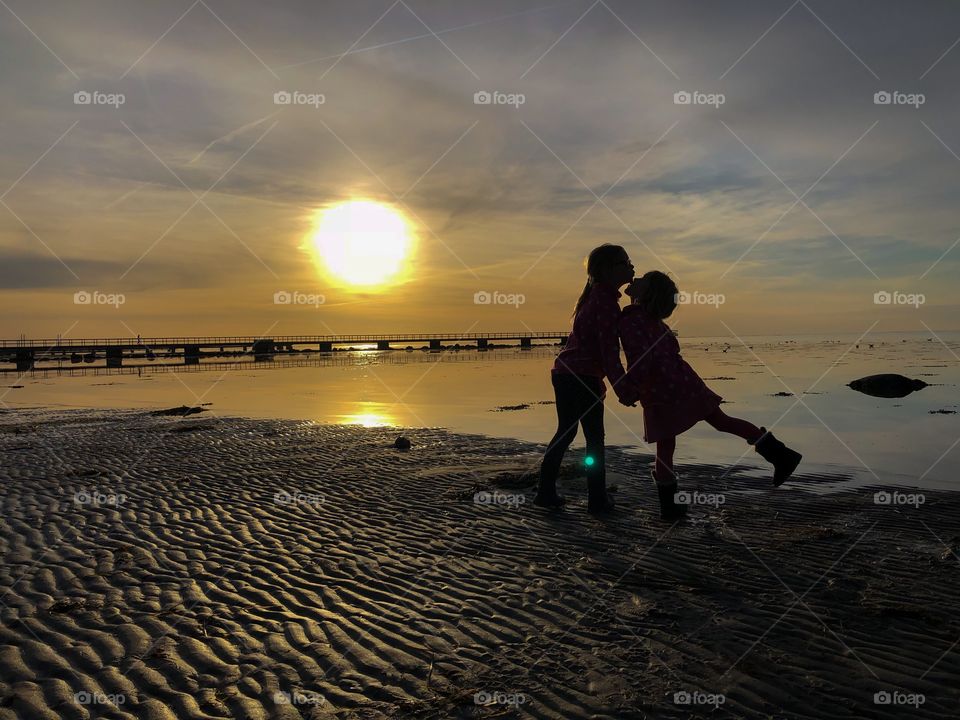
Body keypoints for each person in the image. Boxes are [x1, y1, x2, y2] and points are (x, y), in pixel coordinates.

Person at [620, 271, 802, 521]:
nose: (635, 279)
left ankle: (670, 508)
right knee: (721, 422)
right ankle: (781, 455)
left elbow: (641, 359)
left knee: (666, 446)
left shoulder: (632, 320)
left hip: (663, 391)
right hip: (685, 382)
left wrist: (629, 388)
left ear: (648, 294)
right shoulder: (655, 324)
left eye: (643, 280)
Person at [534, 244, 640, 513]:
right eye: (625, 262)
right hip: (581, 377)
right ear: (606, 270)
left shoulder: (597, 299)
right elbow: (609, 354)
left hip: (566, 373)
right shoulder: (604, 304)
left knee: (566, 433)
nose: (631, 266)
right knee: (593, 439)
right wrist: (623, 389)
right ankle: (596, 499)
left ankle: (546, 492)